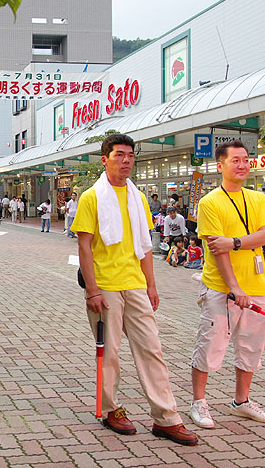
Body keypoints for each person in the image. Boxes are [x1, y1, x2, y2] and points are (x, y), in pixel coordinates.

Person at [71, 133, 197, 446]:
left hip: (136, 284)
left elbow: (144, 247)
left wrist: (151, 285)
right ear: (105, 159)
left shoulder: (138, 197)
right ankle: (110, 409)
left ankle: (166, 418)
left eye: (129, 155)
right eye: (119, 155)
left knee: (152, 350)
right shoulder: (91, 197)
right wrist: (92, 291)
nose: (126, 160)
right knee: (109, 354)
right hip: (105, 287)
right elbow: (84, 246)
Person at [189, 139, 265, 430]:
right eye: (235, 160)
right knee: (210, 345)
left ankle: (242, 402)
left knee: (251, 347)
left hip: (257, 285)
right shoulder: (210, 202)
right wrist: (235, 287)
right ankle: (198, 403)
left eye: (246, 159)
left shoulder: (259, 199)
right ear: (220, 165)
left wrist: (235, 241)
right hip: (221, 288)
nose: (242, 165)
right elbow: (217, 249)